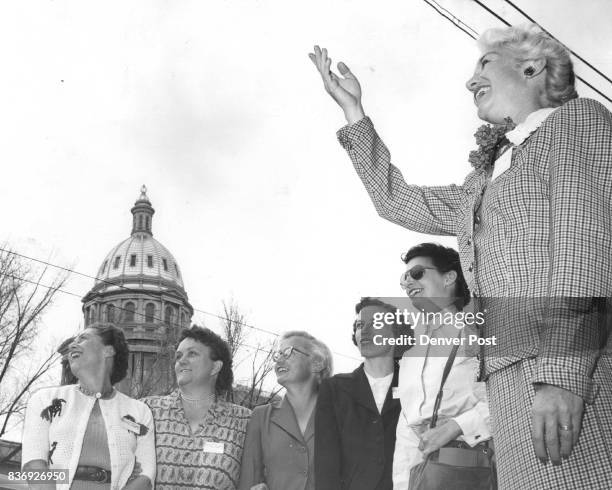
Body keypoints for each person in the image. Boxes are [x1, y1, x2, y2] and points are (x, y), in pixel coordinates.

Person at [309, 24, 612, 488]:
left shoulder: (575, 122)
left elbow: (581, 250)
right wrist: (354, 111)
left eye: (485, 64)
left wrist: (563, 374)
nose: (471, 82)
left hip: (565, 371)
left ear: (532, 68)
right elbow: (395, 200)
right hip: (507, 380)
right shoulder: (482, 181)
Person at [393, 243, 491, 488]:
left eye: (416, 273)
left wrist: (456, 426)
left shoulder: (480, 334)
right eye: (404, 278)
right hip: (426, 474)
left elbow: (508, 399)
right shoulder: (410, 355)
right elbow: (406, 434)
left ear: (449, 277)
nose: (407, 283)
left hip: (471, 464)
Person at [21, 324, 155, 490]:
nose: (72, 345)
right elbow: (33, 462)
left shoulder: (140, 412)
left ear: (108, 351)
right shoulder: (44, 400)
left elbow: (146, 474)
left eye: (83, 339)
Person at [142, 326, 251, 490]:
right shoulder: (146, 410)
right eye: (178, 356)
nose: (181, 360)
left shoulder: (245, 422)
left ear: (215, 367)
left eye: (192, 354)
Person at [315, 298, 403, 490]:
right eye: (359, 325)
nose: (365, 330)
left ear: (396, 333)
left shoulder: (416, 385)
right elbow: (325, 464)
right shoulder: (333, 388)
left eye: (376, 323)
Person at [238, 331, 333, 490]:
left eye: (288, 352)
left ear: (317, 363)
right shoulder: (262, 416)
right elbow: (249, 479)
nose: (279, 360)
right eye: (278, 355)